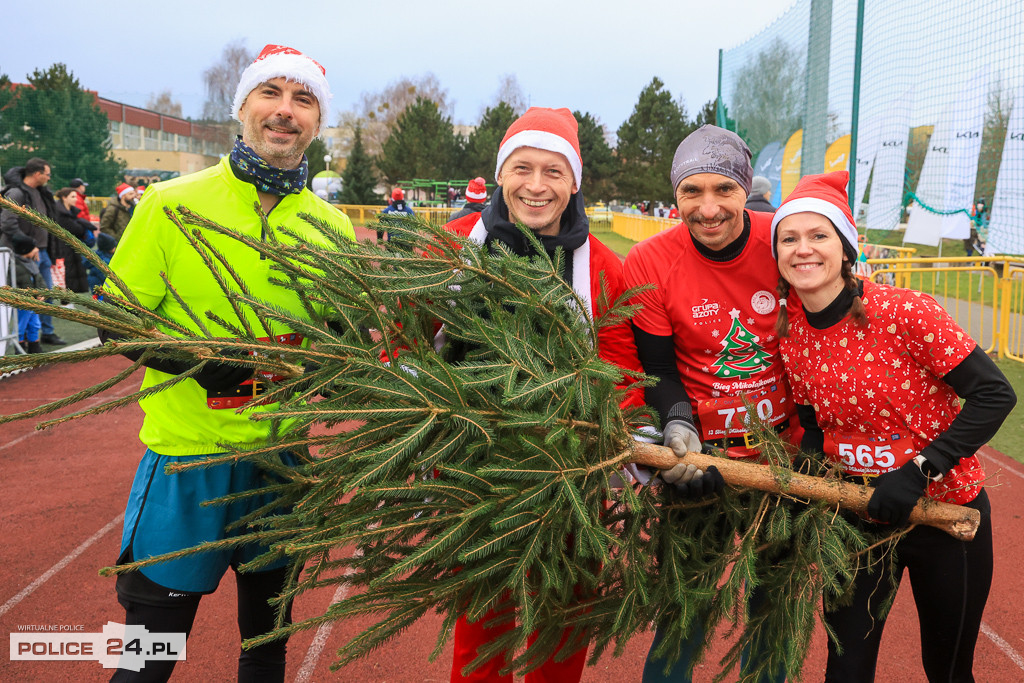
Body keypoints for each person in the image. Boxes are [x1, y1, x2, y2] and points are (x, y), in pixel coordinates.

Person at [103, 43, 354, 682]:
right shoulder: (169, 203)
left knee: (266, 655)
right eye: (270, 93)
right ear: (241, 106)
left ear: (318, 123)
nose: (285, 111)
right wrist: (194, 364)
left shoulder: (334, 229)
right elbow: (115, 321)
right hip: (187, 466)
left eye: (304, 100)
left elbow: (336, 338)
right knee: (145, 663)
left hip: (281, 467)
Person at [771, 171, 1015, 682]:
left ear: (845, 246)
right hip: (859, 517)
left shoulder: (904, 312)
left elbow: (995, 394)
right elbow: (814, 423)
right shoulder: (791, 329)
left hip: (946, 514)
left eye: (819, 235)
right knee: (845, 671)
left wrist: (920, 468)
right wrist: (806, 478)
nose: (803, 249)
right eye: (788, 238)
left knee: (946, 671)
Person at [442, 106, 642, 683]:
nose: (536, 186)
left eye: (553, 172)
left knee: (563, 625)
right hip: (475, 477)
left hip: (571, 477)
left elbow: (624, 370)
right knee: (482, 632)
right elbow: (404, 337)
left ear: (574, 182)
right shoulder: (452, 246)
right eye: (522, 168)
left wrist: (615, 429)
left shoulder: (602, 267)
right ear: (500, 175)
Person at [623, 125, 797, 683]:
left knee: (773, 616)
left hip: (786, 464)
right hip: (700, 464)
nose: (708, 207)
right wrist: (676, 428)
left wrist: (815, 442)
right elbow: (659, 371)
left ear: (746, 189)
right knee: (683, 613)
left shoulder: (786, 242)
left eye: (723, 189)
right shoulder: (650, 262)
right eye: (691, 192)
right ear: (674, 196)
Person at [0, 157, 65, 346]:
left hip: (42, 251)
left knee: (45, 295)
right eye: (47, 174)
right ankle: (23, 340)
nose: (49, 178)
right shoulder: (17, 193)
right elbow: (6, 222)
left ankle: (44, 334)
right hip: (22, 254)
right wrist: (28, 246)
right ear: (37, 174)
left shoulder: (41, 193)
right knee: (27, 300)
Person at [53, 187, 96, 293]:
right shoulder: (60, 214)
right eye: (72, 197)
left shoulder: (71, 212)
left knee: (71, 279)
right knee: (65, 279)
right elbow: (76, 229)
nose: (76, 199)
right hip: (63, 250)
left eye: (76, 196)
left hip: (70, 249)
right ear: (64, 198)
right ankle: (66, 304)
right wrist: (82, 226)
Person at [9, 233, 44, 353]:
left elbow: (39, 279)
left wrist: (42, 292)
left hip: (33, 303)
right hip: (22, 304)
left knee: (35, 325)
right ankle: (19, 350)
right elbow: (12, 286)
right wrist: (24, 298)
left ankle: (35, 347)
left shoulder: (32, 263)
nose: (37, 249)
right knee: (20, 326)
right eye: (34, 247)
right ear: (25, 250)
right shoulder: (14, 266)